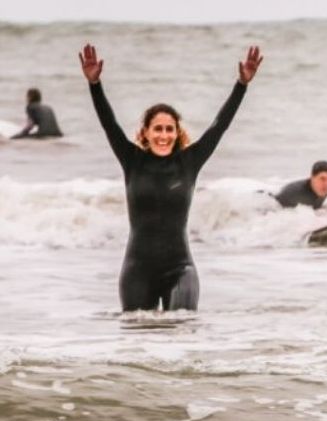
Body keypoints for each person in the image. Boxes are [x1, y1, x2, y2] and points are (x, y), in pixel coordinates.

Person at [80, 43, 262, 311]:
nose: (163, 135)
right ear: (146, 132)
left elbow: (219, 126)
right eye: (158, 129)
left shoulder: (189, 162)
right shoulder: (132, 160)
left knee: (183, 335)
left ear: (177, 132)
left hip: (180, 269)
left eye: (169, 129)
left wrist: (241, 85)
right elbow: (109, 124)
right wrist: (94, 84)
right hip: (137, 272)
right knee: (138, 346)